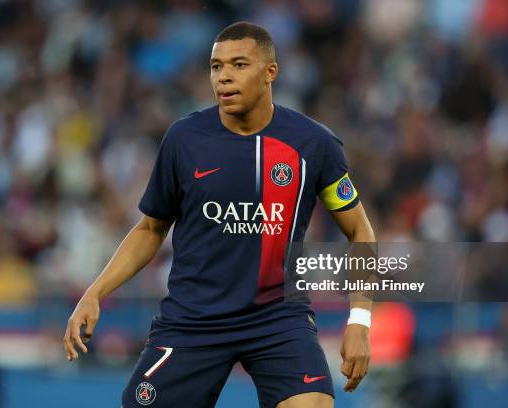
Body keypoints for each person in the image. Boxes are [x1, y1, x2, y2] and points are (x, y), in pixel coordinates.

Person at [63, 21, 375, 408]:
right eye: (216, 66)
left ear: (270, 72)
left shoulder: (313, 143)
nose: (224, 77)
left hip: (277, 320)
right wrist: (94, 293)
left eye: (239, 65)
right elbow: (150, 228)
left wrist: (360, 321)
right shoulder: (184, 139)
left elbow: (360, 231)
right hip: (195, 320)